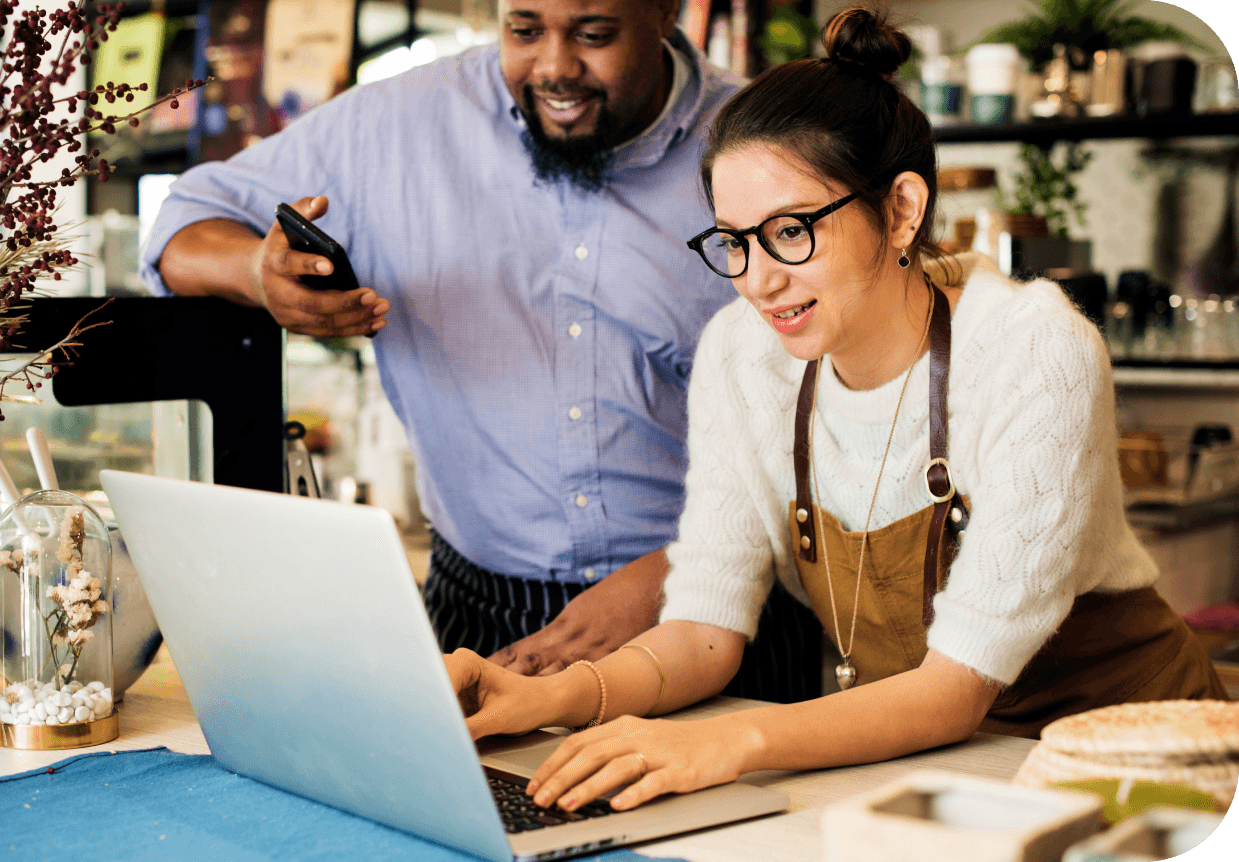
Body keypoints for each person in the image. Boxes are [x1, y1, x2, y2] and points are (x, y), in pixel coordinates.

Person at [443, 7, 1229, 816]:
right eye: (734, 241)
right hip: (940, 773)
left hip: (1138, 765)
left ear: (901, 210)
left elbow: (952, 689)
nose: (757, 280)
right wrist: (551, 697)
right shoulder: (741, 355)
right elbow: (706, 631)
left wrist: (728, 742)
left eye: (790, 232)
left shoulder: (1035, 352)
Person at [140, 0, 823, 698]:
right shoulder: (394, 127)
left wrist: (683, 572)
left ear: (666, 12)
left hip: (734, 606)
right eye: (524, 30)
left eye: (594, 35)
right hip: (487, 621)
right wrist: (260, 273)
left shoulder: (770, 148)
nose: (555, 68)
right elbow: (180, 226)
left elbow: (858, 407)